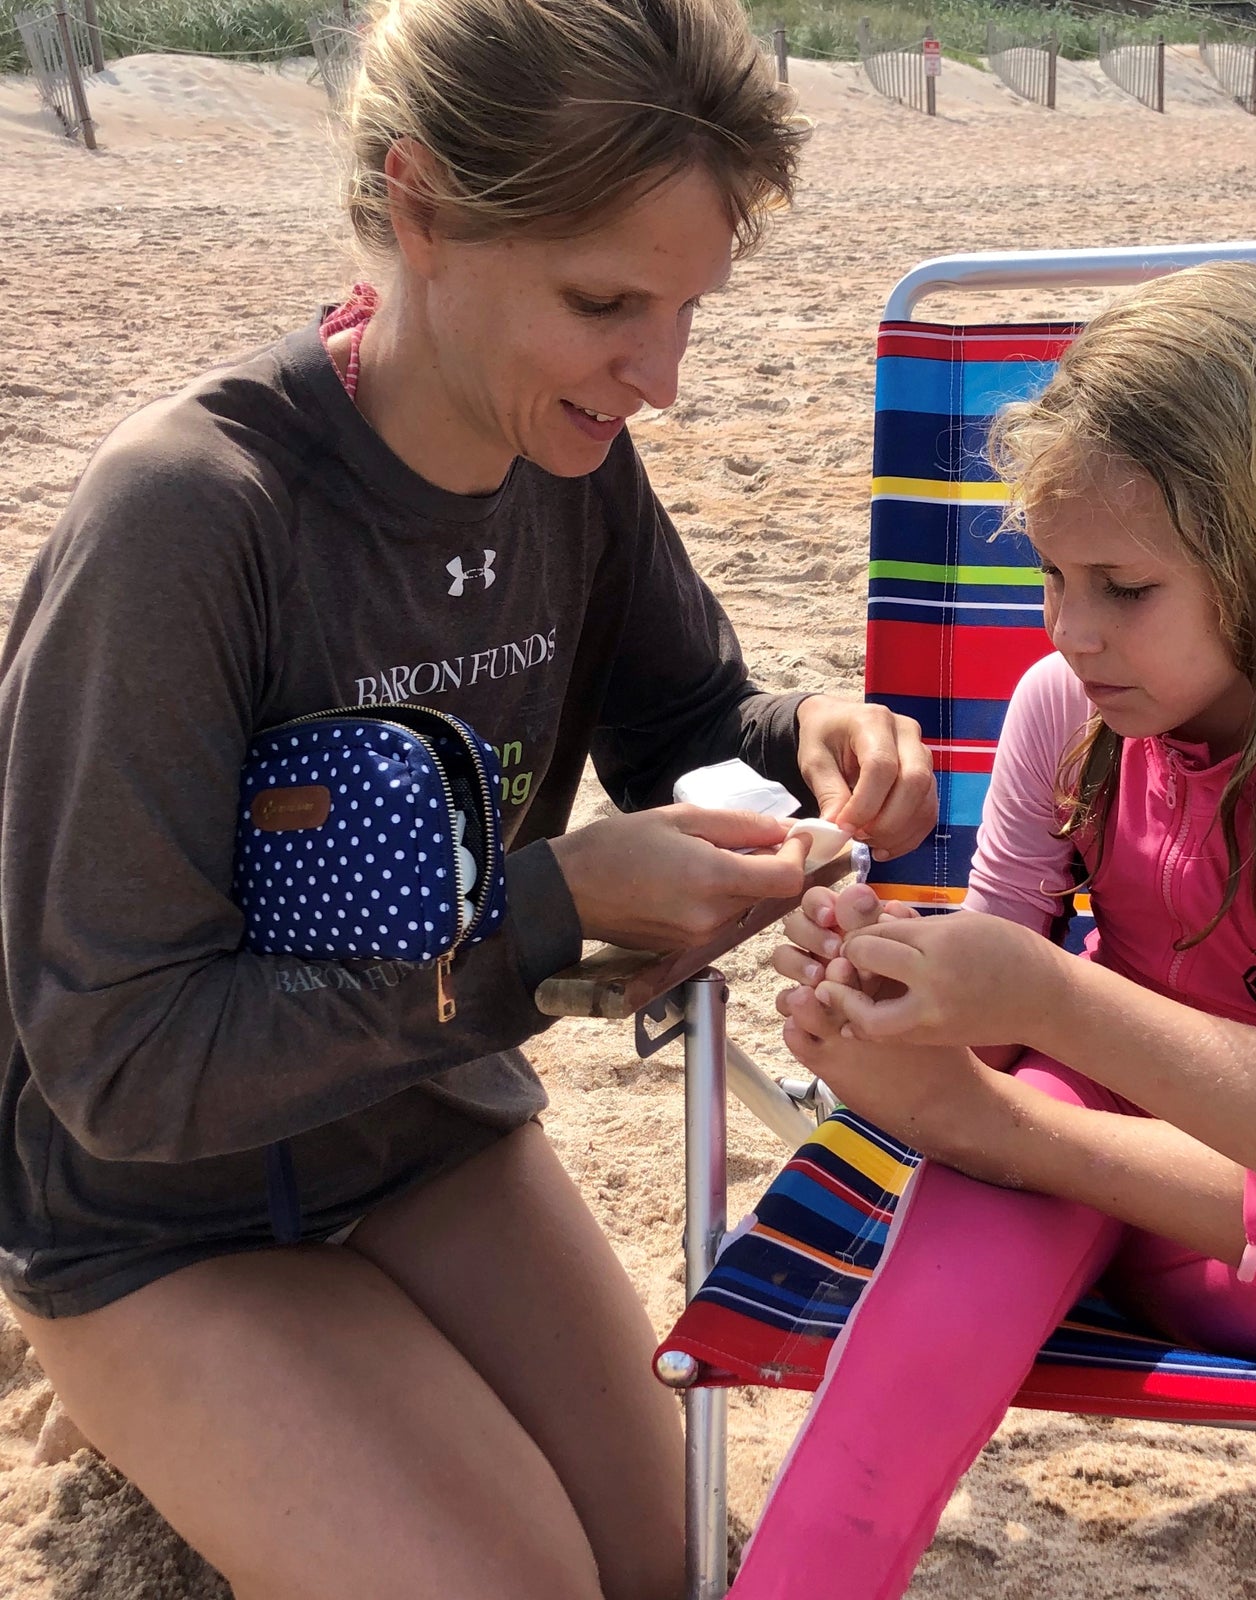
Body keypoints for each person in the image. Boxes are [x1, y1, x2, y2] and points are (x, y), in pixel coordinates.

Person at [0, 2, 936, 1596]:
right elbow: (124, 1067)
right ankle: (140, 1388)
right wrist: (549, 918)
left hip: (432, 1131)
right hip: (161, 1216)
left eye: (689, 309)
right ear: (424, 208)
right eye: (605, 302)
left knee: (664, 1572)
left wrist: (808, 742)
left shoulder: (569, 469)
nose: (663, 376)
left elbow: (688, 723)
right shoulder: (190, 519)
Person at [731, 262, 1256, 1600]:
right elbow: (1007, 999)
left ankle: (1011, 1144)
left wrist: (1032, 1052)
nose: (1071, 632)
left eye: (1123, 587)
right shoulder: (1061, 714)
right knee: (904, 1371)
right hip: (1114, 1185)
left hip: (1211, 1199)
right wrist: (890, 983)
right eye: (1052, 578)